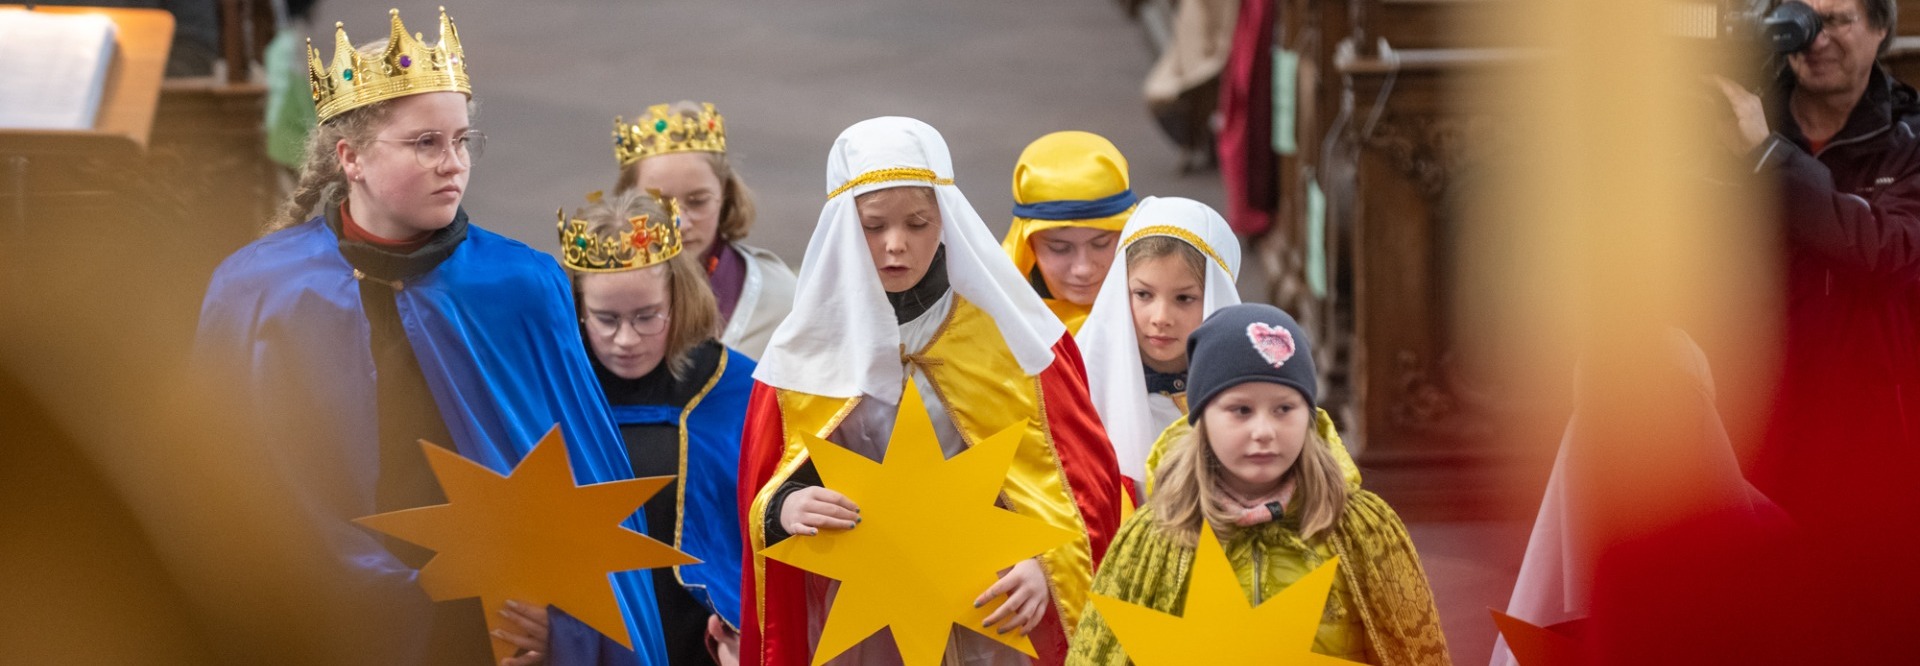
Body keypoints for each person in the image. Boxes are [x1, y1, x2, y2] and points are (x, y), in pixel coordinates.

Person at [194, 9, 667, 665]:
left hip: (488, 621)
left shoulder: (518, 284)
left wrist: (564, 618)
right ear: (350, 158)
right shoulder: (258, 291)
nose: (454, 164)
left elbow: (577, 482)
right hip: (316, 612)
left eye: (463, 140)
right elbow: (224, 490)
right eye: (425, 144)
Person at [737, 117, 1123, 665]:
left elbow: (1084, 481)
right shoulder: (805, 353)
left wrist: (1048, 562)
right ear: (845, 225)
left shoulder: (1015, 339)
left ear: (946, 219)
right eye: (873, 226)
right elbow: (770, 481)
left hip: (992, 610)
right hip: (867, 612)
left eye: (918, 223)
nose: (896, 245)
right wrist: (785, 505)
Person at [1069, 304, 1451, 666]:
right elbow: (1100, 653)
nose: (1264, 431)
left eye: (1284, 409)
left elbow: (1414, 650)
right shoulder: (1154, 536)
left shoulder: (1364, 529)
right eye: (1241, 410)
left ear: (1309, 415)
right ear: (1202, 418)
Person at [1715, 0, 1920, 530]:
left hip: (1869, 429)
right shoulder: (1732, 119)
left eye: (1835, 20)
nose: (1812, 38)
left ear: (1880, 29)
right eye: (1796, 19)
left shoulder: (1910, 139)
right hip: (1747, 419)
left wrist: (1766, 156)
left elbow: (1885, 249)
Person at [561, 190, 753, 665]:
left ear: (679, 299)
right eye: (605, 319)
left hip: (700, 644)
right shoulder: (551, 390)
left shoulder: (733, 388)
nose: (625, 340)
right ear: (576, 308)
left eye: (647, 316)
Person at [1076, 196, 1241, 500]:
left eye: (1183, 298)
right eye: (1143, 294)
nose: (1161, 318)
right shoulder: (1081, 384)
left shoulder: (1249, 392)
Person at [612, 102, 797, 360]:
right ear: (627, 200)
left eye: (698, 201)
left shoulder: (780, 299)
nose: (681, 224)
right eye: (659, 205)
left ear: (726, 194)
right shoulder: (597, 295)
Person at [999, 131, 1136, 334]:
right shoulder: (991, 325)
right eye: (1060, 248)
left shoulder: (1172, 316)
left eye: (1101, 244)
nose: (1083, 269)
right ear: (1027, 243)